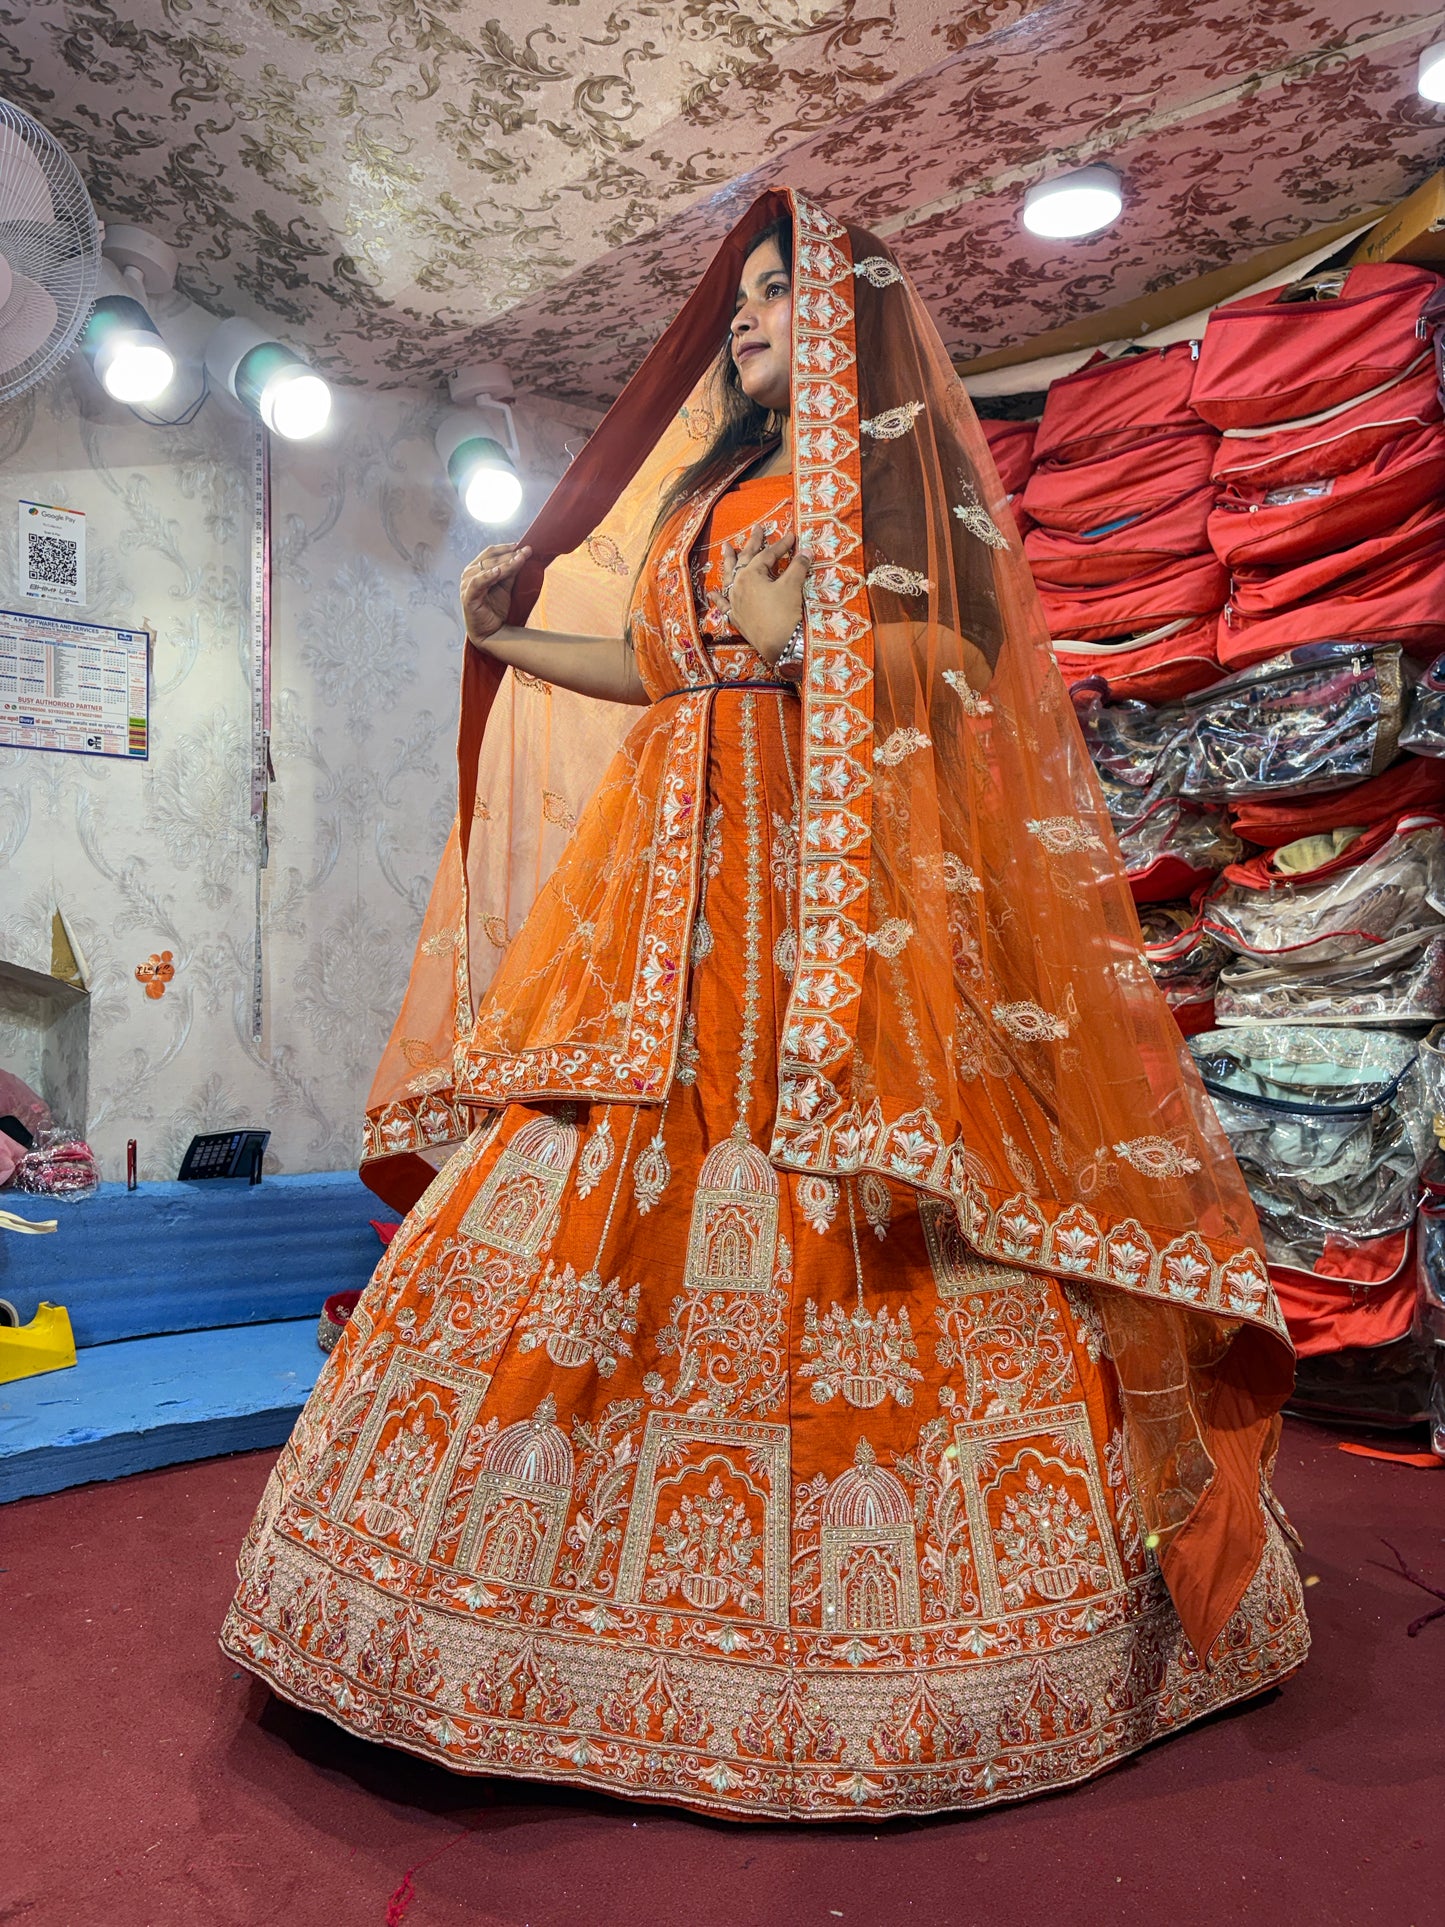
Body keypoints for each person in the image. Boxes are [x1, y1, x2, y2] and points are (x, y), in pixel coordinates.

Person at [223, 190, 1308, 1822]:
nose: (748, 314)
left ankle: (923, 1651)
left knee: (860, 1211)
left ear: (851, 321)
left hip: (819, 921)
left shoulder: (882, 473)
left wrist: (825, 653)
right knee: (559, 1186)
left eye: (785, 292)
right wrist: (520, 638)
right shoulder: (709, 492)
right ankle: (473, 1623)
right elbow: (675, 676)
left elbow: (974, 662)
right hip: (646, 927)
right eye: (738, 298)